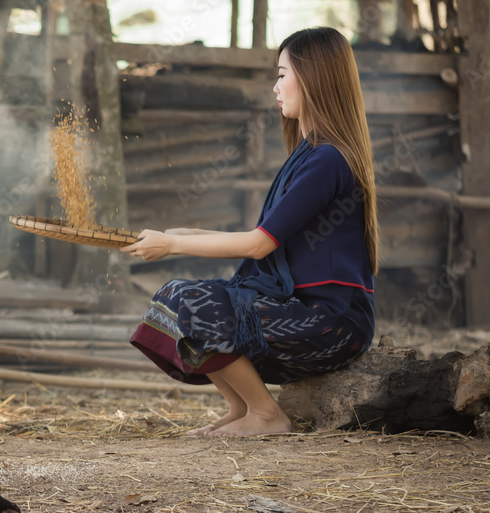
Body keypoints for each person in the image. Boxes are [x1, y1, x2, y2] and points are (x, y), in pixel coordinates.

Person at [122, 27, 379, 437]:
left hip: (331, 323)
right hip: (301, 311)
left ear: (314, 77)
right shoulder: (311, 153)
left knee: (194, 302)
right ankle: (241, 406)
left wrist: (173, 244)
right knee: (177, 296)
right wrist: (183, 232)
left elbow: (259, 244)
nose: (275, 86)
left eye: (282, 74)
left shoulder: (329, 159)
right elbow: (267, 233)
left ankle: (267, 414)